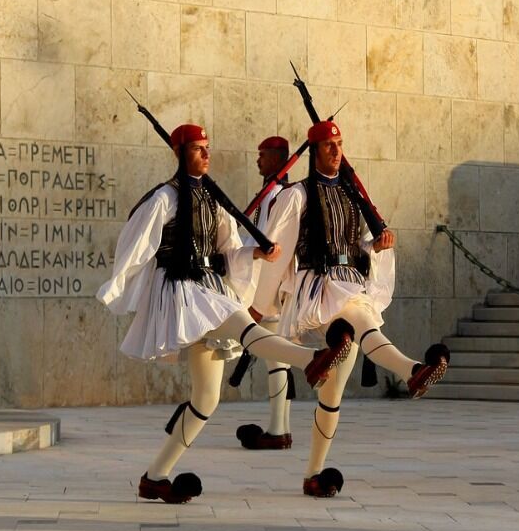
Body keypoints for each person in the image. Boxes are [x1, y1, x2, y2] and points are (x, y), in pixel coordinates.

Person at [97, 124, 353, 504]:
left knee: (206, 399)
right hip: (183, 292)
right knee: (243, 326)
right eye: (199, 149)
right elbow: (136, 245)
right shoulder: (164, 199)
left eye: (207, 148)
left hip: (209, 286)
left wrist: (255, 254)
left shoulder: (213, 202)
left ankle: (155, 477)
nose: (206, 154)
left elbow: (228, 250)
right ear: (181, 154)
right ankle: (311, 360)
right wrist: (117, 286)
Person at [253, 120, 450, 498]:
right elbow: (278, 253)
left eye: (339, 144)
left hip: (348, 283)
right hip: (317, 288)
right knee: (361, 319)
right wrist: (261, 304)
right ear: (314, 152)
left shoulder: (351, 195)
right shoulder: (298, 195)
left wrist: (378, 245)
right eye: (328, 145)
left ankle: (313, 474)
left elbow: (361, 244)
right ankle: (412, 370)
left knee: (332, 396)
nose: (335, 150)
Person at [233, 136, 295, 451]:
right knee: (277, 359)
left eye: (262, 155)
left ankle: (278, 430)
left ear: (277, 157)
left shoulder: (282, 196)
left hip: (273, 289)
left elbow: (274, 248)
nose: (257, 161)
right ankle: (279, 427)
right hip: (269, 288)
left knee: (276, 358)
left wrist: (262, 299)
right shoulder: (270, 194)